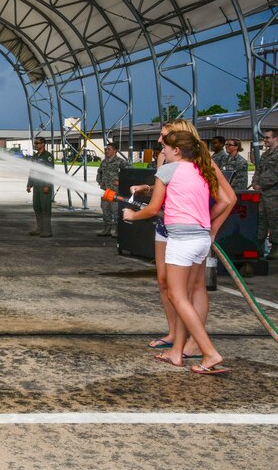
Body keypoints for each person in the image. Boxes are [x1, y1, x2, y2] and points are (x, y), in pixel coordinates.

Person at [124, 130, 233, 374]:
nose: (161, 150)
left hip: (181, 241)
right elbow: (223, 201)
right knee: (184, 295)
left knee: (177, 297)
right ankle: (177, 352)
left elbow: (152, 210)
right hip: (201, 238)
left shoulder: (167, 171)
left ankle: (209, 352)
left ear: (176, 150)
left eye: (165, 148)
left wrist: (132, 215)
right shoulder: (201, 169)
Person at [252, 128, 278, 260]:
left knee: (274, 221)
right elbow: (258, 171)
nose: (265, 140)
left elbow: (275, 175)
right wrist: (255, 183)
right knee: (261, 219)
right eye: (265, 138)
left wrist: (263, 184)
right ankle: (259, 247)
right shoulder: (265, 155)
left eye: (268, 137)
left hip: (274, 194)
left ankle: (275, 248)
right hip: (262, 193)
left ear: (275, 138)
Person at [96, 142, 127, 237]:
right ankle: (107, 229)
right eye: (106, 149)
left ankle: (118, 231)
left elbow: (127, 175)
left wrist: (120, 181)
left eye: (109, 149)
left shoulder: (121, 162)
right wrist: (100, 181)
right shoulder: (104, 162)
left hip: (115, 192)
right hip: (104, 191)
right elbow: (99, 173)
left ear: (115, 150)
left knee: (116, 211)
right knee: (105, 210)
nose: (106, 151)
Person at [26, 136, 54, 238]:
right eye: (35, 143)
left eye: (37, 143)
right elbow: (32, 171)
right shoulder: (35, 156)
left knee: (45, 208)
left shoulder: (48, 156)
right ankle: (39, 228)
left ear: (43, 144)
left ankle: (47, 230)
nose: (35, 145)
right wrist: (29, 184)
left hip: (44, 186)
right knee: (37, 207)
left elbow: (50, 172)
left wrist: (47, 185)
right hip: (37, 186)